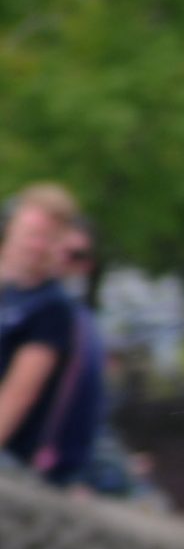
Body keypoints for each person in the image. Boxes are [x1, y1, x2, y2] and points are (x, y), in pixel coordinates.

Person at [0, 183, 105, 487]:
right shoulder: (13, 294)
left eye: (45, 238)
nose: (35, 245)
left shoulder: (52, 308)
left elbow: (19, 394)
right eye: (30, 234)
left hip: (16, 460)